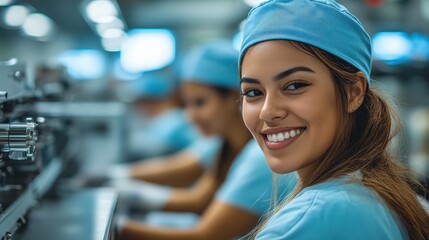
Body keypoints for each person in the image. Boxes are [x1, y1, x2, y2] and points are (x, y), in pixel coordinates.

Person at [238, 0, 429, 239]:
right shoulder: (385, 192)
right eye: (253, 92)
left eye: (295, 85)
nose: (267, 111)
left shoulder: (318, 216)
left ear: (354, 92)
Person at [117, 40, 297, 240]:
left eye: (200, 102)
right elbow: (200, 198)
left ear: (234, 97)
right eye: (187, 104)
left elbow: (205, 235)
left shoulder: (259, 157)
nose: (190, 116)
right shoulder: (225, 144)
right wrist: (123, 185)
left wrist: (116, 228)